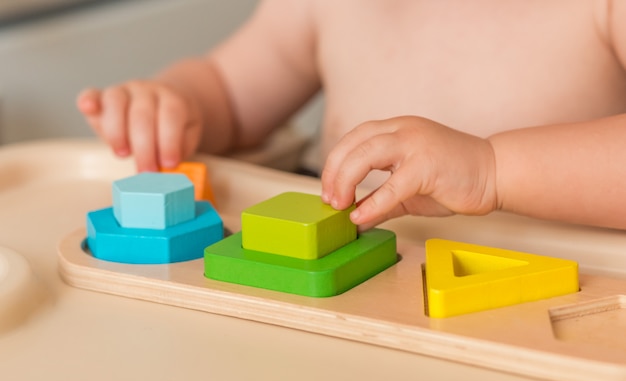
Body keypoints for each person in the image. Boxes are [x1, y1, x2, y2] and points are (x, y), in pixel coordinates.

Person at [77, 0, 626, 232]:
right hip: (343, 301)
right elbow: (230, 93)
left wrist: (492, 171)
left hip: (540, 309)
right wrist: (175, 102)